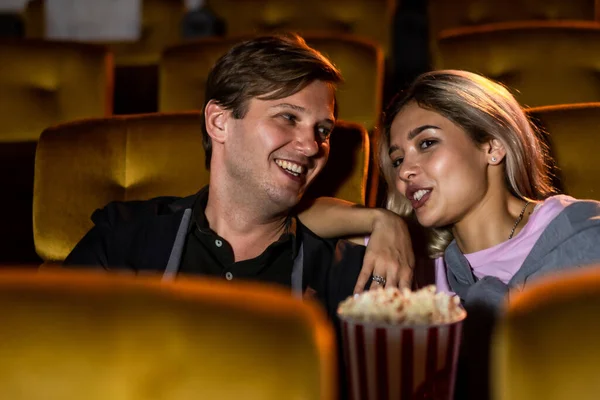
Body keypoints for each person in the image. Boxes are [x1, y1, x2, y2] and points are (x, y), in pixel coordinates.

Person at [64, 33, 414, 316]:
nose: (311, 146)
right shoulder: (122, 239)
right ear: (219, 122)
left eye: (323, 130)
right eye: (288, 117)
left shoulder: (349, 273)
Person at [305, 69, 600, 399]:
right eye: (398, 159)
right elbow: (296, 218)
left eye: (427, 143)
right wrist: (382, 220)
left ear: (493, 146)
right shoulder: (417, 252)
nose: (405, 172)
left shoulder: (583, 235)